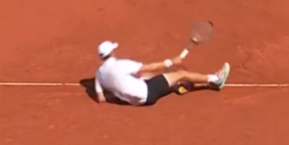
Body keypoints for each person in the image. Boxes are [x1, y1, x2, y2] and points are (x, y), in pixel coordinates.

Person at [93, 41, 231, 106]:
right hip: (147, 93)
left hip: (134, 101)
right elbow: (149, 67)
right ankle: (215, 80)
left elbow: (101, 99)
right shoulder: (122, 65)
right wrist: (171, 61)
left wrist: (120, 91)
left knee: (148, 77)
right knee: (179, 73)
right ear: (111, 52)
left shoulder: (99, 74)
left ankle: (173, 86)